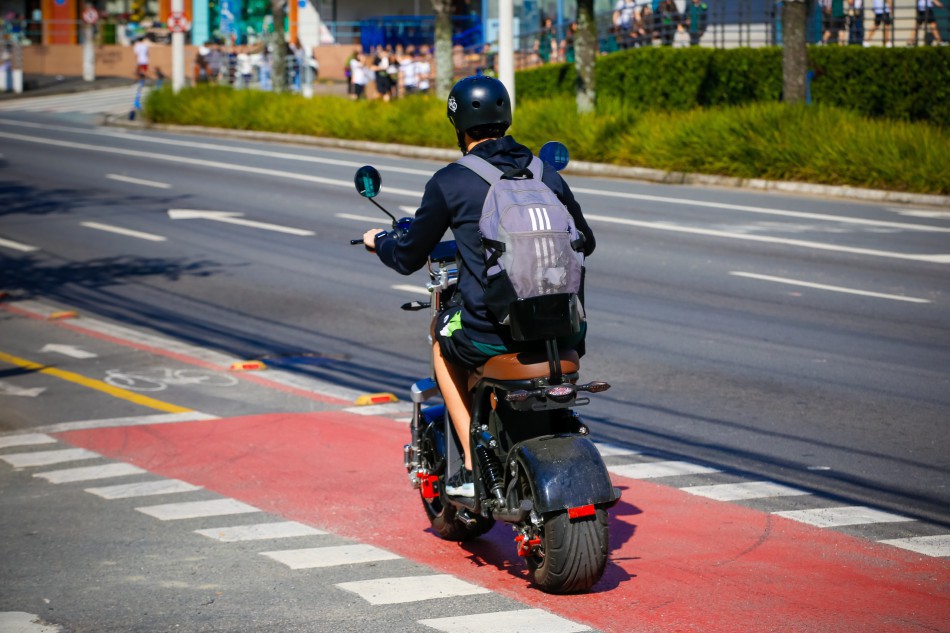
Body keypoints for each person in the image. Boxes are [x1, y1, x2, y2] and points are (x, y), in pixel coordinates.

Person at [361, 76, 596, 497]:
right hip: (566, 333)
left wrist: (378, 239)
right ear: (505, 116)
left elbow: (408, 256)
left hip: (493, 335)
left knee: (441, 336)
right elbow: (587, 242)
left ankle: (470, 467)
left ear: (458, 123)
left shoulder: (451, 181)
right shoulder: (545, 173)